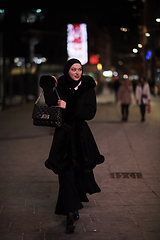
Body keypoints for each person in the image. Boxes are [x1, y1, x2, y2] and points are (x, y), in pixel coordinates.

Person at [39, 58, 104, 233]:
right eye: (73, 69)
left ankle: (73, 206)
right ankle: (69, 213)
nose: (77, 72)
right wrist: (47, 86)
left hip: (81, 138)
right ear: (67, 70)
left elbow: (90, 112)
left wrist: (69, 107)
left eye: (80, 69)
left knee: (78, 173)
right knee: (65, 174)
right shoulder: (60, 85)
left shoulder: (88, 87)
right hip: (64, 137)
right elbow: (52, 102)